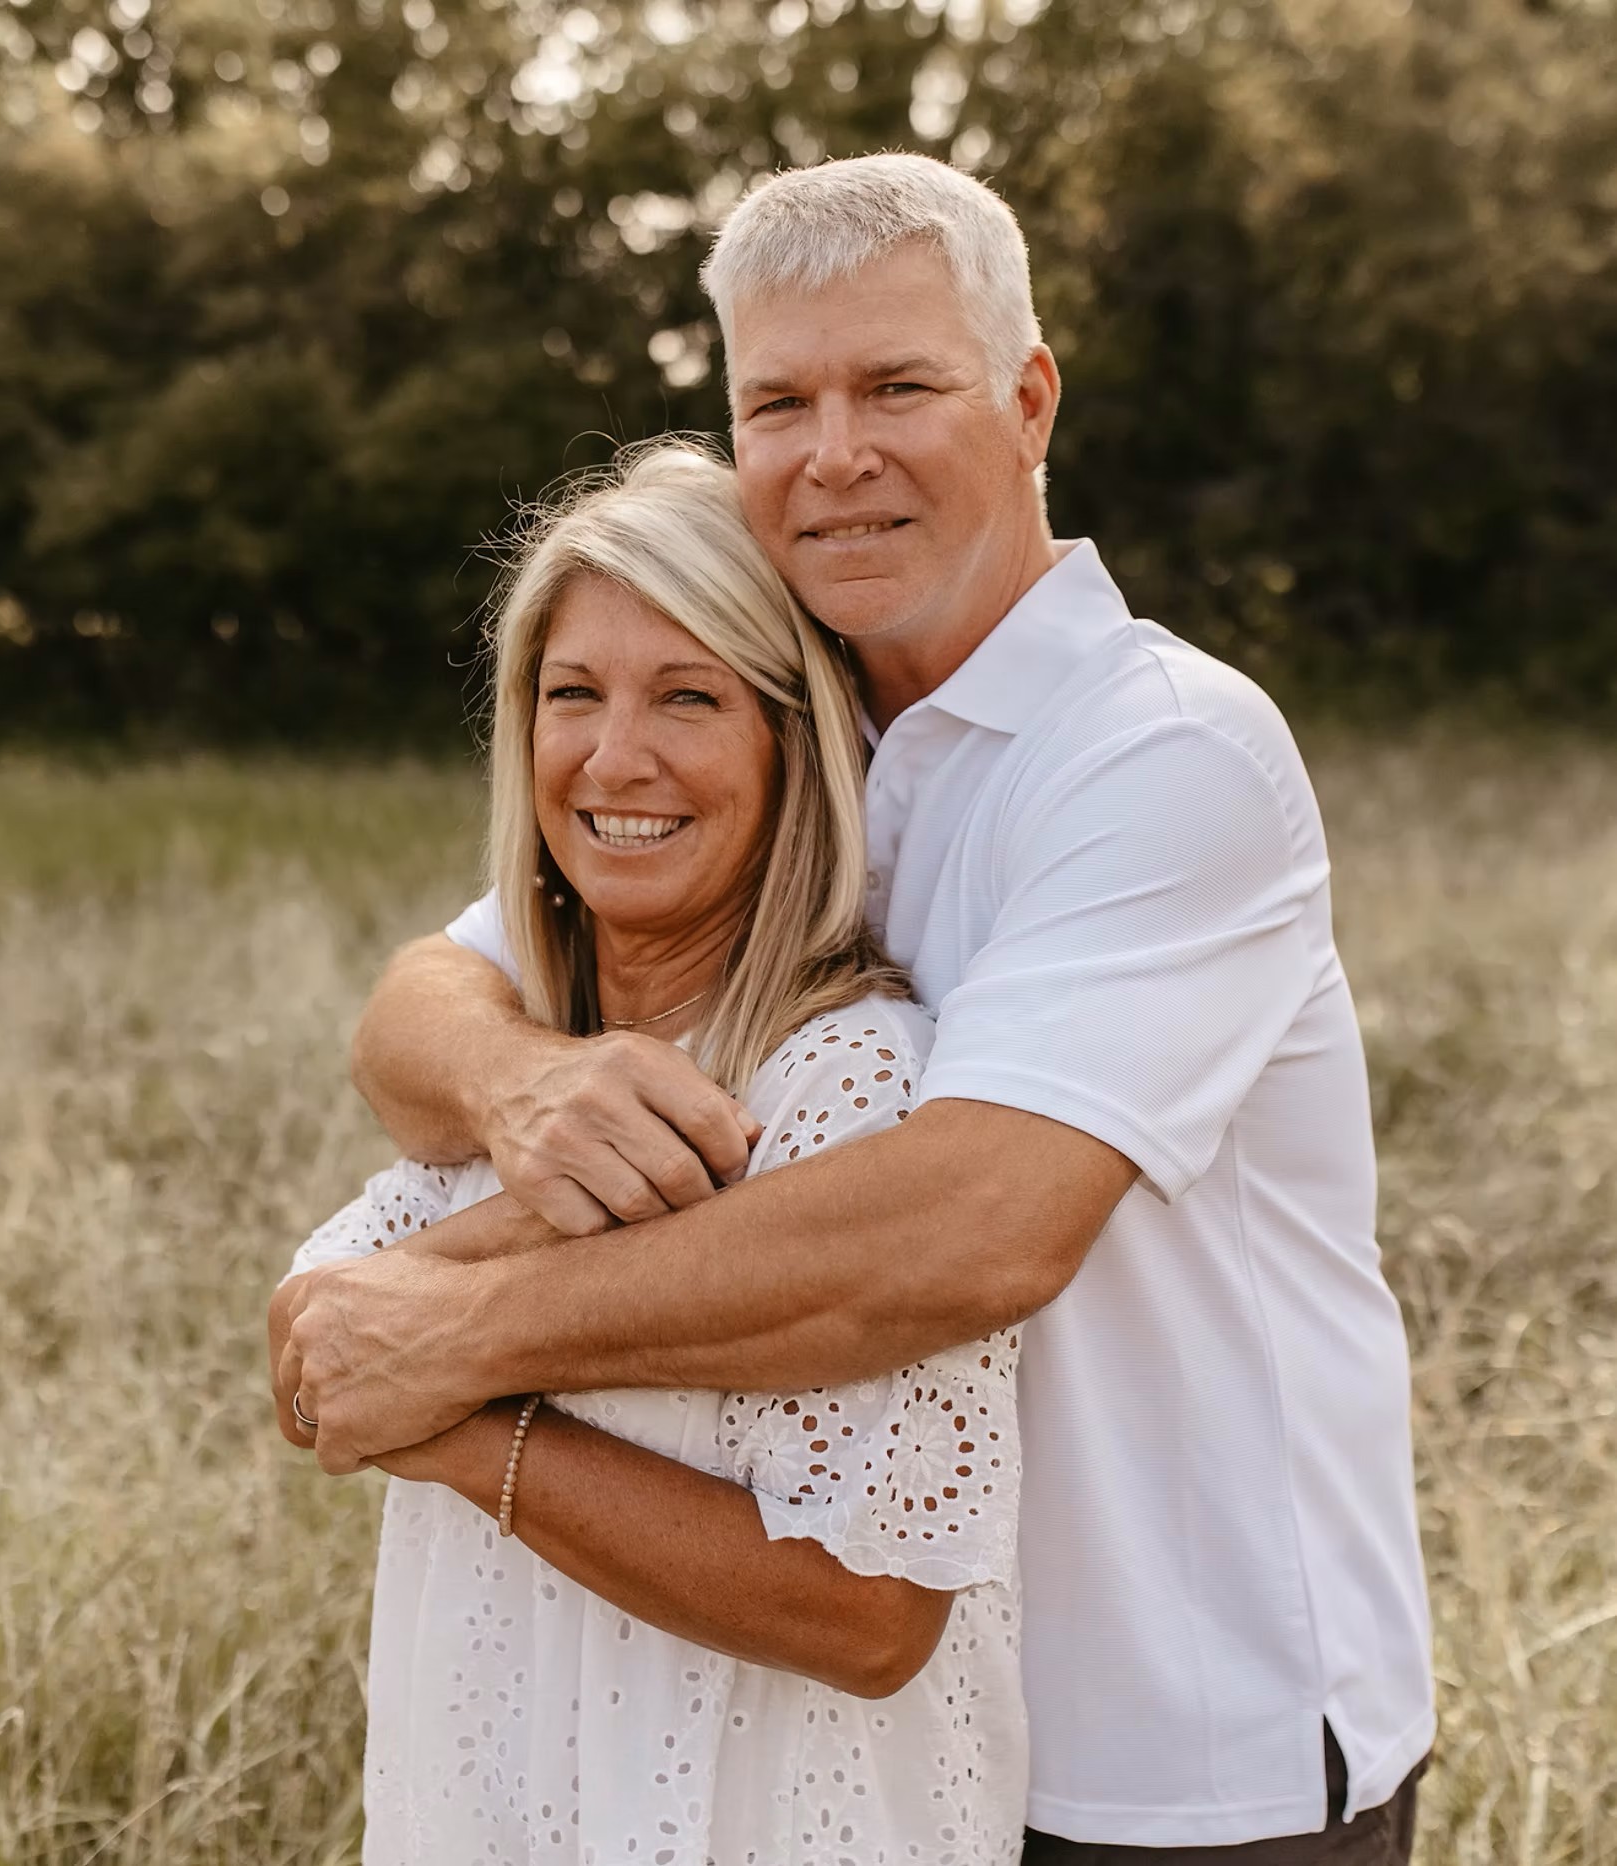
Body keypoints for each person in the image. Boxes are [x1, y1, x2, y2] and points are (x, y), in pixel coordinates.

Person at [279, 154, 1435, 1861]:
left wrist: (450, 1346)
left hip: (1182, 1743)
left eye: (898, 384)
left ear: (1028, 398)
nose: (835, 453)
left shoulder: (1155, 752)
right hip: (908, 1770)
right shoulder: (797, 721)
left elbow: (966, 1234)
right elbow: (428, 1002)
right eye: (779, 401)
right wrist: (523, 1082)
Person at [271, 444, 1029, 1864]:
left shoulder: (851, 1080)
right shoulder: (516, 1062)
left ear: (786, 744)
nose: (616, 758)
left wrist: (457, 1409)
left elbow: (869, 1615)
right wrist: (427, 1318)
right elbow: (310, 1359)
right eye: (574, 695)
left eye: (689, 695)